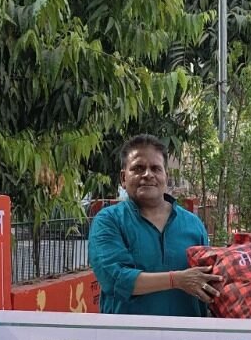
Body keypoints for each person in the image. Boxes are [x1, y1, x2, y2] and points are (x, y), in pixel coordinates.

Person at [89, 134, 220, 316]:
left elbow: (209, 282)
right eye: (138, 168)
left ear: (165, 176)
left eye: (156, 168)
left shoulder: (193, 224)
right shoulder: (109, 221)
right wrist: (177, 280)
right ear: (123, 178)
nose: (148, 174)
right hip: (126, 339)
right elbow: (115, 278)